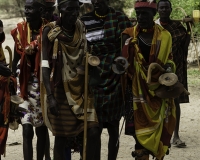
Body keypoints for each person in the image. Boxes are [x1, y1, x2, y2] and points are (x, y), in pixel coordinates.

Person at [41, 0, 99, 159]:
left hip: (80, 87)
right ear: (60, 9)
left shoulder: (81, 27)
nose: (74, 13)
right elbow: (44, 65)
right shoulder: (50, 31)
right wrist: (50, 96)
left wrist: (91, 63)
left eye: (76, 9)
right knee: (61, 138)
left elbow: (85, 52)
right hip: (59, 90)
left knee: (93, 130)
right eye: (69, 9)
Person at [121, 0, 177, 159]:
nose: (140, 17)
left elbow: (170, 60)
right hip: (135, 91)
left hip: (157, 90)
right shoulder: (128, 35)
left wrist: (166, 69)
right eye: (138, 13)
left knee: (158, 131)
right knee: (139, 136)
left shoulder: (165, 36)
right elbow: (122, 62)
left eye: (145, 13)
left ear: (154, 14)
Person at [81, 0, 132, 159]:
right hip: (94, 76)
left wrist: (122, 63)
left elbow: (128, 42)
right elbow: (81, 46)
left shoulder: (119, 18)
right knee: (94, 128)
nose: (97, 1)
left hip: (115, 76)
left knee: (114, 128)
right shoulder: (84, 20)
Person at [11, 0, 51, 160]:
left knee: (41, 130)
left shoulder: (49, 30)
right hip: (24, 85)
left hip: (42, 84)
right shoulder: (20, 31)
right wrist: (12, 81)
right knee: (27, 130)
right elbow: (15, 60)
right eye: (25, 8)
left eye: (30, 8)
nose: (26, 11)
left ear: (40, 9)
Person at [156, 0, 191, 148]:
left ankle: (175, 136)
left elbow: (184, 46)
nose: (164, 10)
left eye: (166, 7)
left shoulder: (178, 27)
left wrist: (189, 28)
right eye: (161, 7)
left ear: (170, 9)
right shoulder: (153, 28)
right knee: (156, 101)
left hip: (175, 69)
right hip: (157, 70)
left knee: (175, 102)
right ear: (157, 10)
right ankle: (157, 134)